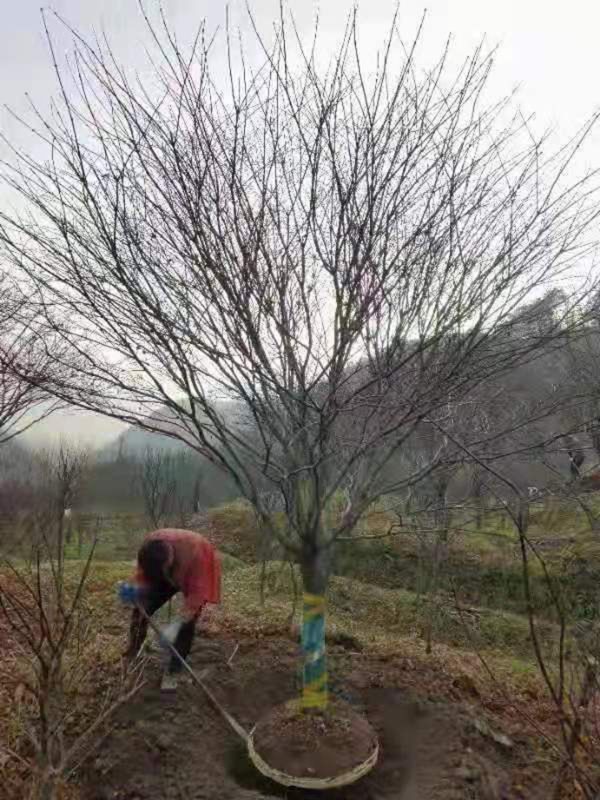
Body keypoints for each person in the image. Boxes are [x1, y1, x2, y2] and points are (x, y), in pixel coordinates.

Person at [123, 528, 221, 691]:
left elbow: (194, 601)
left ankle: (174, 671)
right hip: (163, 568)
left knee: (186, 625)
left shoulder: (197, 555)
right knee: (140, 610)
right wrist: (134, 589)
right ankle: (133, 654)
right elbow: (143, 573)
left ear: (169, 561)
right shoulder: (149, 545)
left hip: (194, 571)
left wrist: (175, 626)